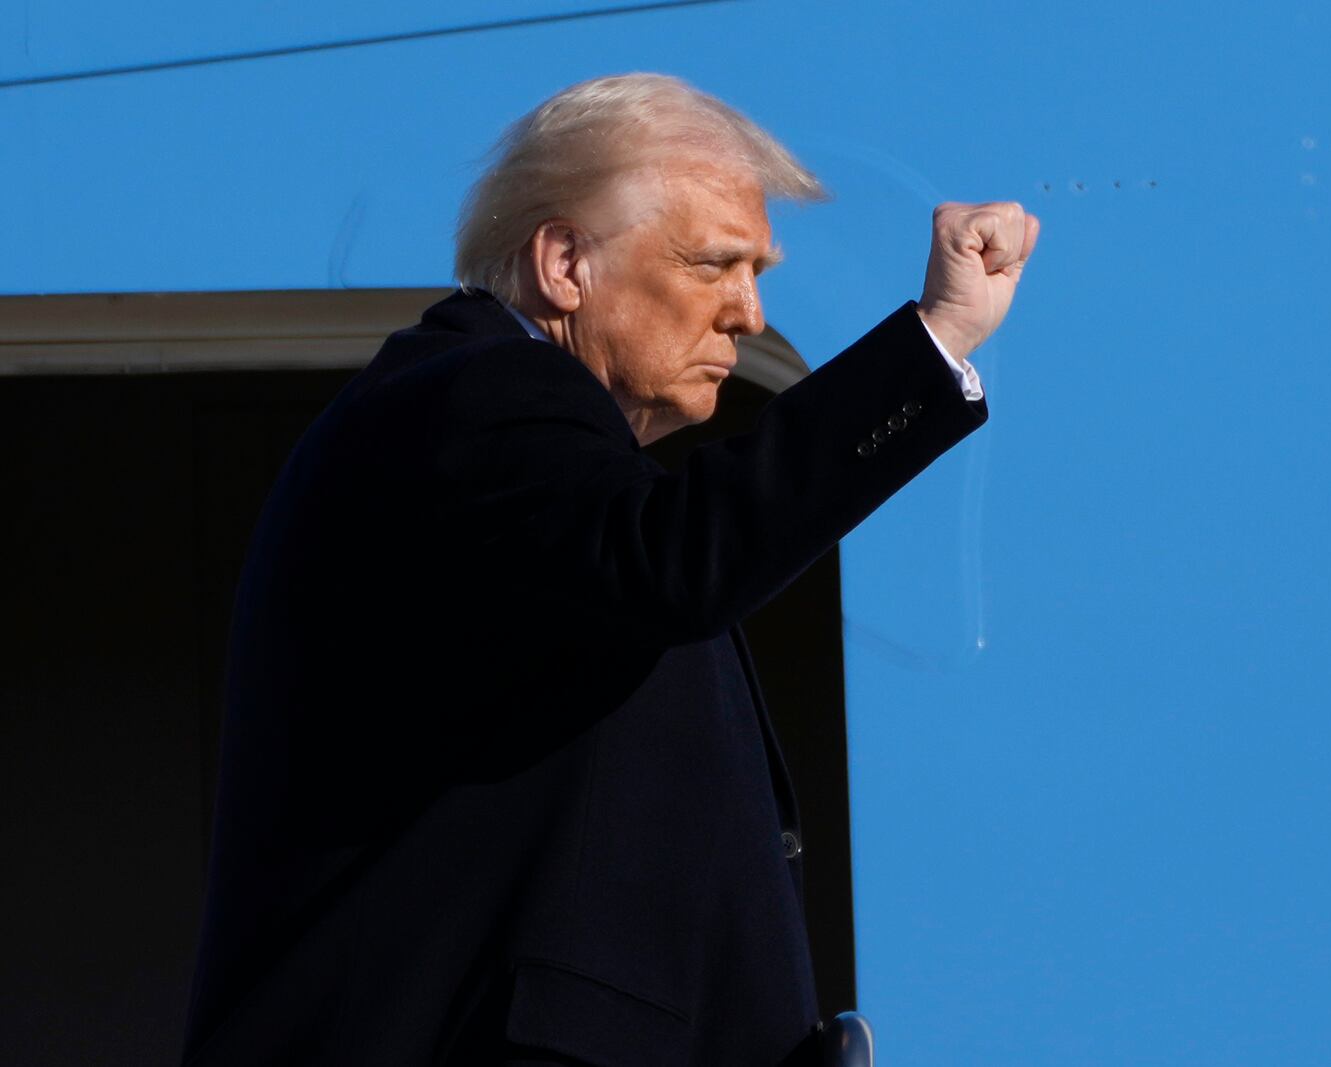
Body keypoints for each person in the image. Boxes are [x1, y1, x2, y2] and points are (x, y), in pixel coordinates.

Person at [181, 73, 1039, 1067]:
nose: (749, 315)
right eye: (715, 263)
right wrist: (933, 339)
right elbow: (674, 561)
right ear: (564, 262)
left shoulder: (548, 476)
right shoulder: (471, 393)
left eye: (756, 270)